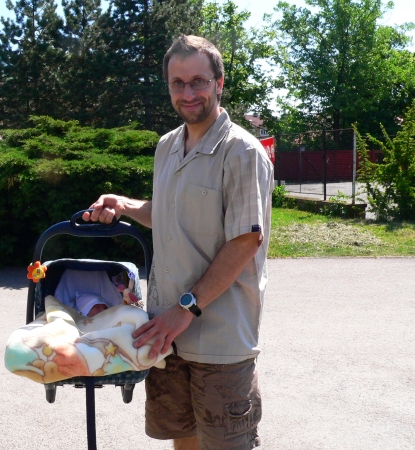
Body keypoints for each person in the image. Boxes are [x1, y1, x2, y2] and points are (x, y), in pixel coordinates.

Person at [83, 35, 273, 450]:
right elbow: (169, 215)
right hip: (165, 336)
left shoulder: (242, 151)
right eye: (178, 83)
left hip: (220, 341)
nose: (188, 93)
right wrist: (125, 205)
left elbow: (245, 241)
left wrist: (184, 310)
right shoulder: (167, 146)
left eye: (198, 81)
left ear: (219, 83)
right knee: (182, 440)